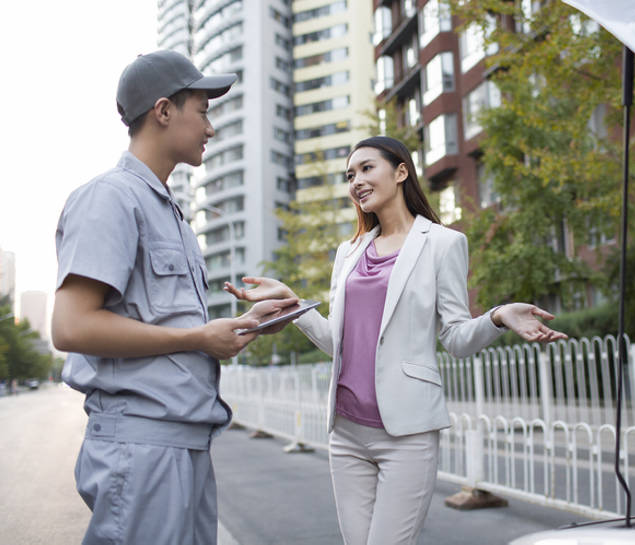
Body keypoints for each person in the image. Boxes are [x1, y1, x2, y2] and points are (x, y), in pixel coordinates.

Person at [225, 136, 568, 545]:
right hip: (347, 432)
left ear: (401, 171)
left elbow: (455, 338)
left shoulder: (444, 243)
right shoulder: (348, 252)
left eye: (367, 168)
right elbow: (338, 342)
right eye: (350, 175)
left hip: (407, 434)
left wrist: (497, 316)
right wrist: (292, 302)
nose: (356, 181)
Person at [51, 50, 295, 545]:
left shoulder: (171, 215)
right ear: (164, 111)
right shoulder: (110, 198)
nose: (210, 128)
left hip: (183, 443)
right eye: (203, 111)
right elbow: (71, 328)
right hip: (141, 449)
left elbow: (166, 330)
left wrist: (244, 323)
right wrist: (199, 338)